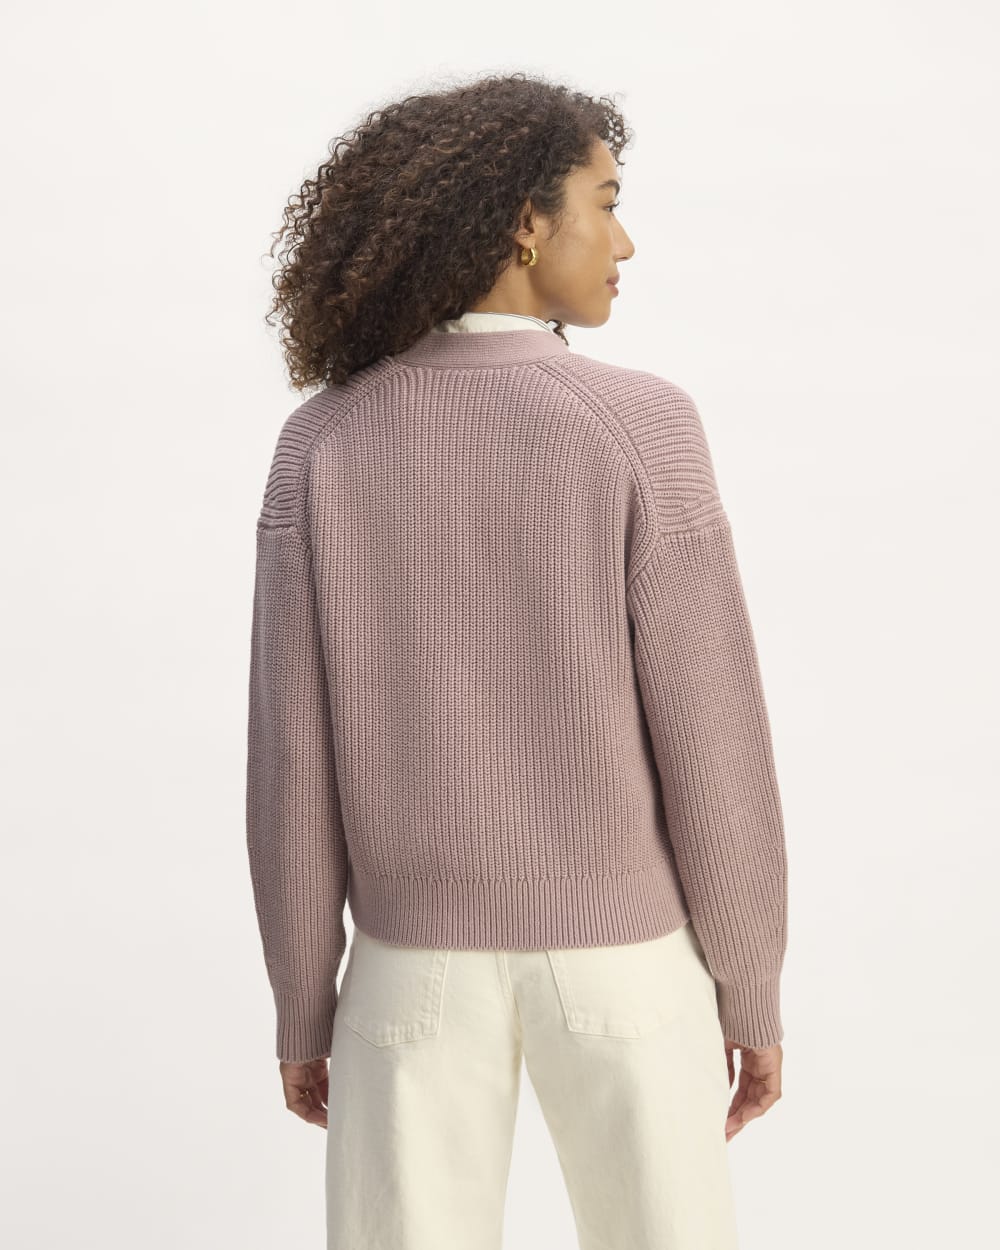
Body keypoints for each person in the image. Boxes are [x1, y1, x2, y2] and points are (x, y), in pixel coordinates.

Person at [246, 70, 788, 1250]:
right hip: (624, 966)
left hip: (407, 976)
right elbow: (713, 737)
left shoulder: (321, 441)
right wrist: (750, 980)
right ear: (523, 222)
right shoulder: (640, 423)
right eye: (607, 201)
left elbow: (291, 762)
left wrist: (302, 1000)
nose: (625, 240)